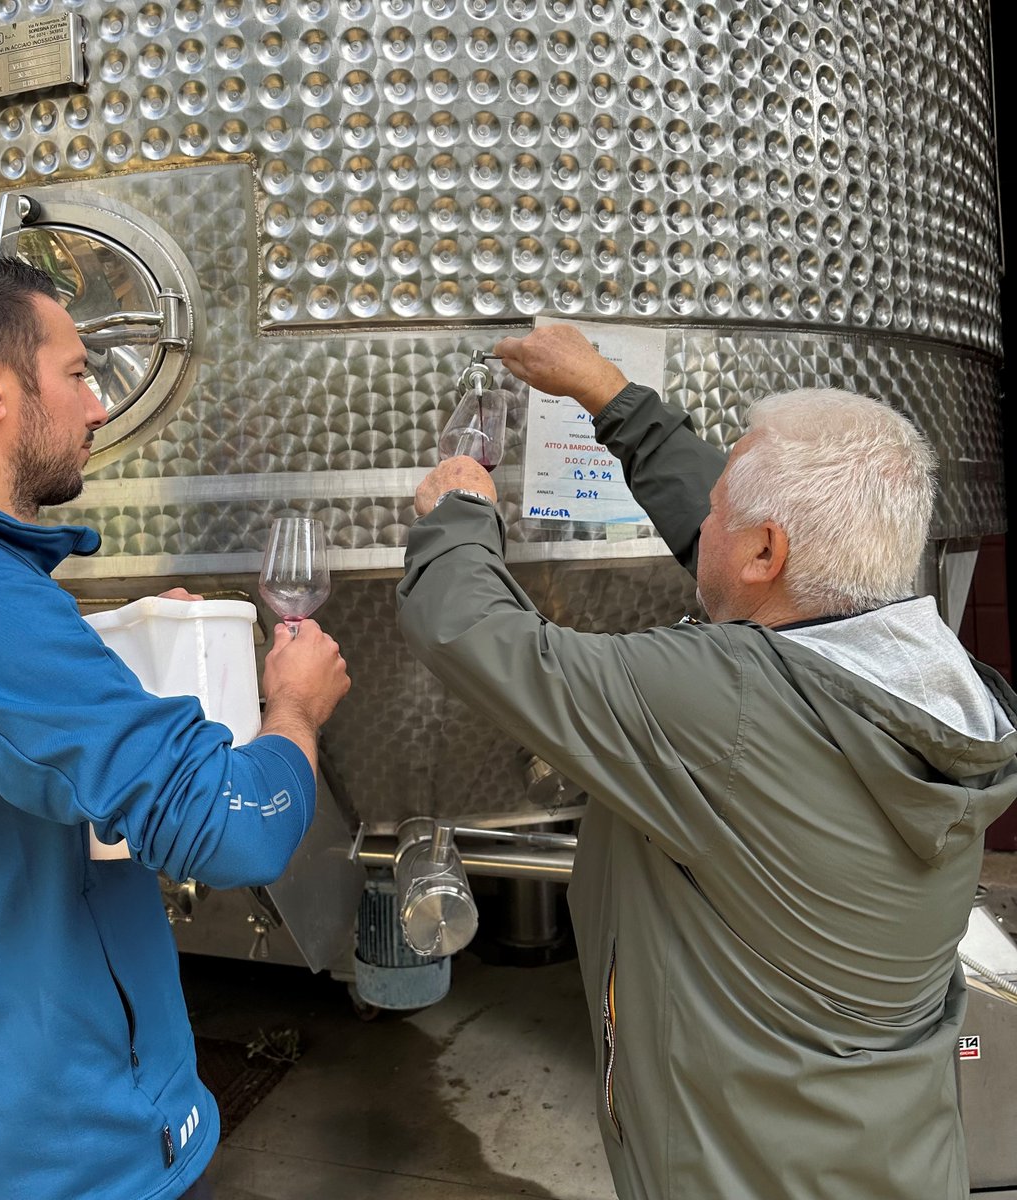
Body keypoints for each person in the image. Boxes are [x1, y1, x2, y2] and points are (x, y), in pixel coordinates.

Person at [397, 323, 1017, 1200]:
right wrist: (609, 394)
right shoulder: (921, 677)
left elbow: (468, 634)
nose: (705, 518)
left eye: (724, 508)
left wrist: (459, 514)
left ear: (766, 551)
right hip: (892, 1157)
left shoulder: (722, 709)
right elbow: (737, 558)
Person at [0, 252, 350, 1200]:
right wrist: (295, 712)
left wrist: (131, 646)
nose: (99, 406)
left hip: (46, 1134)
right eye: (75, 374)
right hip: (54, 1162)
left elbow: (5, 743)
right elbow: (233, 828)